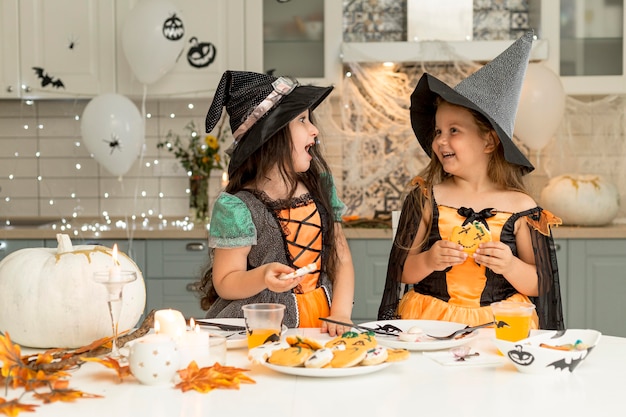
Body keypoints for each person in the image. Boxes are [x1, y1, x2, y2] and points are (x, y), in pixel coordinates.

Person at [378, 32, 564, 330]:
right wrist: (429, 261)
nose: (441, 140)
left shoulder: (522, 207)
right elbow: (401, 270)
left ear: (489, 142)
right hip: (431, 322)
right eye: (438, 131)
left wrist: (510, 265)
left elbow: (542, 282)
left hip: (499, 325)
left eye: (454, 130)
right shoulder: (426, 197)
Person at [198, 71, 355, 337]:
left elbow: (341, 258)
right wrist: (262, 276)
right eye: (302, 120)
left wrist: (340, 312)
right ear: (273, 135)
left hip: (321, 319)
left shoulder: (321, 187)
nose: (314, 130)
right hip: (263, 327)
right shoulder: (237, 207)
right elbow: (225, 282)